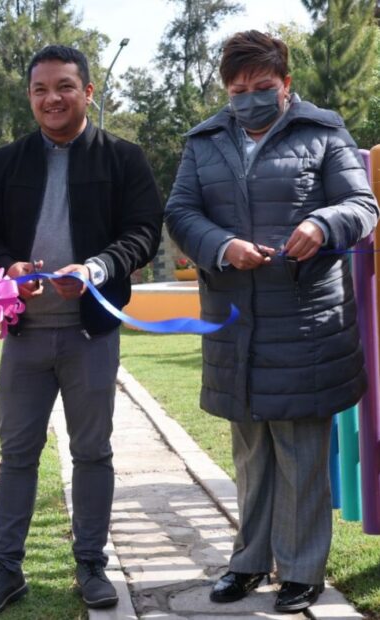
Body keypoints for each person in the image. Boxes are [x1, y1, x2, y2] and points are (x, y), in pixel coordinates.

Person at [165, 30, 378, 613]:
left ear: (286, 83)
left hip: (306, 323)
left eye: (262, 87)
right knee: (251, 453)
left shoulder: (323, 132)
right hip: (235, 322)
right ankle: (249, 562)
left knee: (302, 452)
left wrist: (323, 224)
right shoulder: (205, 141)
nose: (250, 99)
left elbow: (362, 205)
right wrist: (222, 245)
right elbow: (180, 212)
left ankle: (302, 571)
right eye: (238, 91)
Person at [0, 45, 163, 616]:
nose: (52, 98)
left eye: (64, 87)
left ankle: (91, 565)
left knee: (92, 452)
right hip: (24, 336)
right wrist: (9, 267)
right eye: (40, 89)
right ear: (30, 96)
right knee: (16, 455)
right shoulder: (6, 162)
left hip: (90, 335)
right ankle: (6, 569)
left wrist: (97, 269)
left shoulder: (123, 158)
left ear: (88, 92)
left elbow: (143, 231)